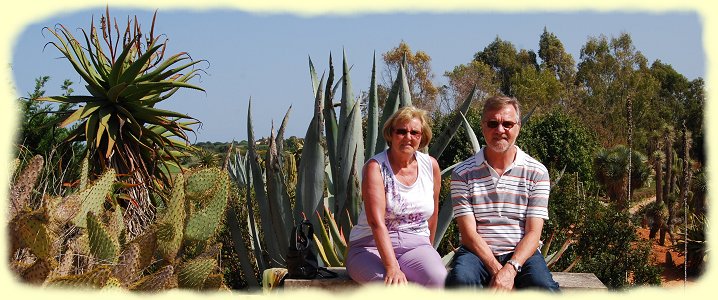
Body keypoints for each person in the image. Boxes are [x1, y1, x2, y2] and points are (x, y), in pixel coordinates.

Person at [445, 95, 560, 291]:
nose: (500, 130)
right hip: (477, 253)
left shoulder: (537, 172)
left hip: (522, 253)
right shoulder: (462, 173)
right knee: (460, 282)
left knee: (544, 288)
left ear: (518, 127)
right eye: (492, 123)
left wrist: (511, 269)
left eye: (507, 124)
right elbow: (468, 233)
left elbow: (533, 233)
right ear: (483, 127)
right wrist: (498, 270)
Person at [346, 106, 447, 288]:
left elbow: (433, 214)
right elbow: (376, 222)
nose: (408, 137)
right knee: (393, 289)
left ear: (422, 137)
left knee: (440, 279)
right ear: (390, 134)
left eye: (414, 132)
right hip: (370, 247)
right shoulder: (375, 168)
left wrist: (429, 250)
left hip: (416, 245)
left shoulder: (430, 166)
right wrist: (392, 266)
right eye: (401, 131)